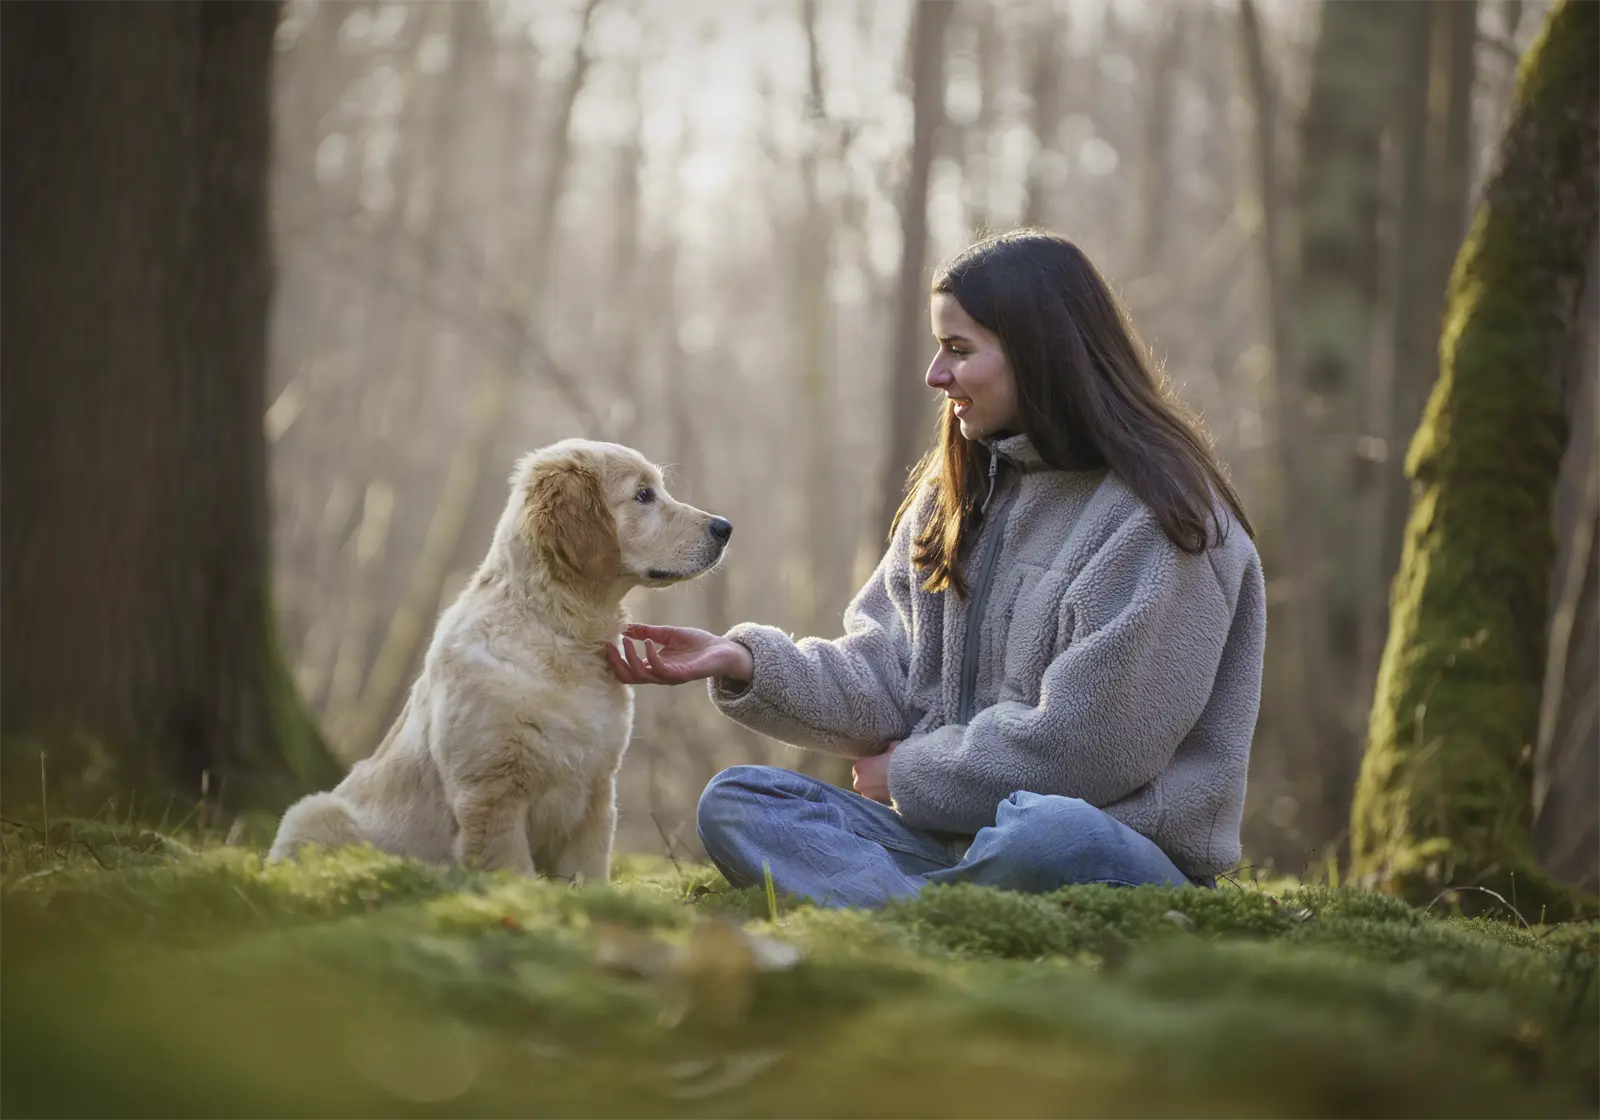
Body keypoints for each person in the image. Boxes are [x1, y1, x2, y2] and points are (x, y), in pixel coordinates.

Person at [606, 229, 1266, 909]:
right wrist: (742, 661)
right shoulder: (951, 496)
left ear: (1040, 355)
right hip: (939, 842)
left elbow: (1085, 748)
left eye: (958, 349)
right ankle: (940, 912)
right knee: (741, 801)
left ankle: (900, 908)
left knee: (1051, 834)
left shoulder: (1167, 522)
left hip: (1110, 848)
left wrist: (910, 773)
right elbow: (888, 679)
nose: (935, 374)